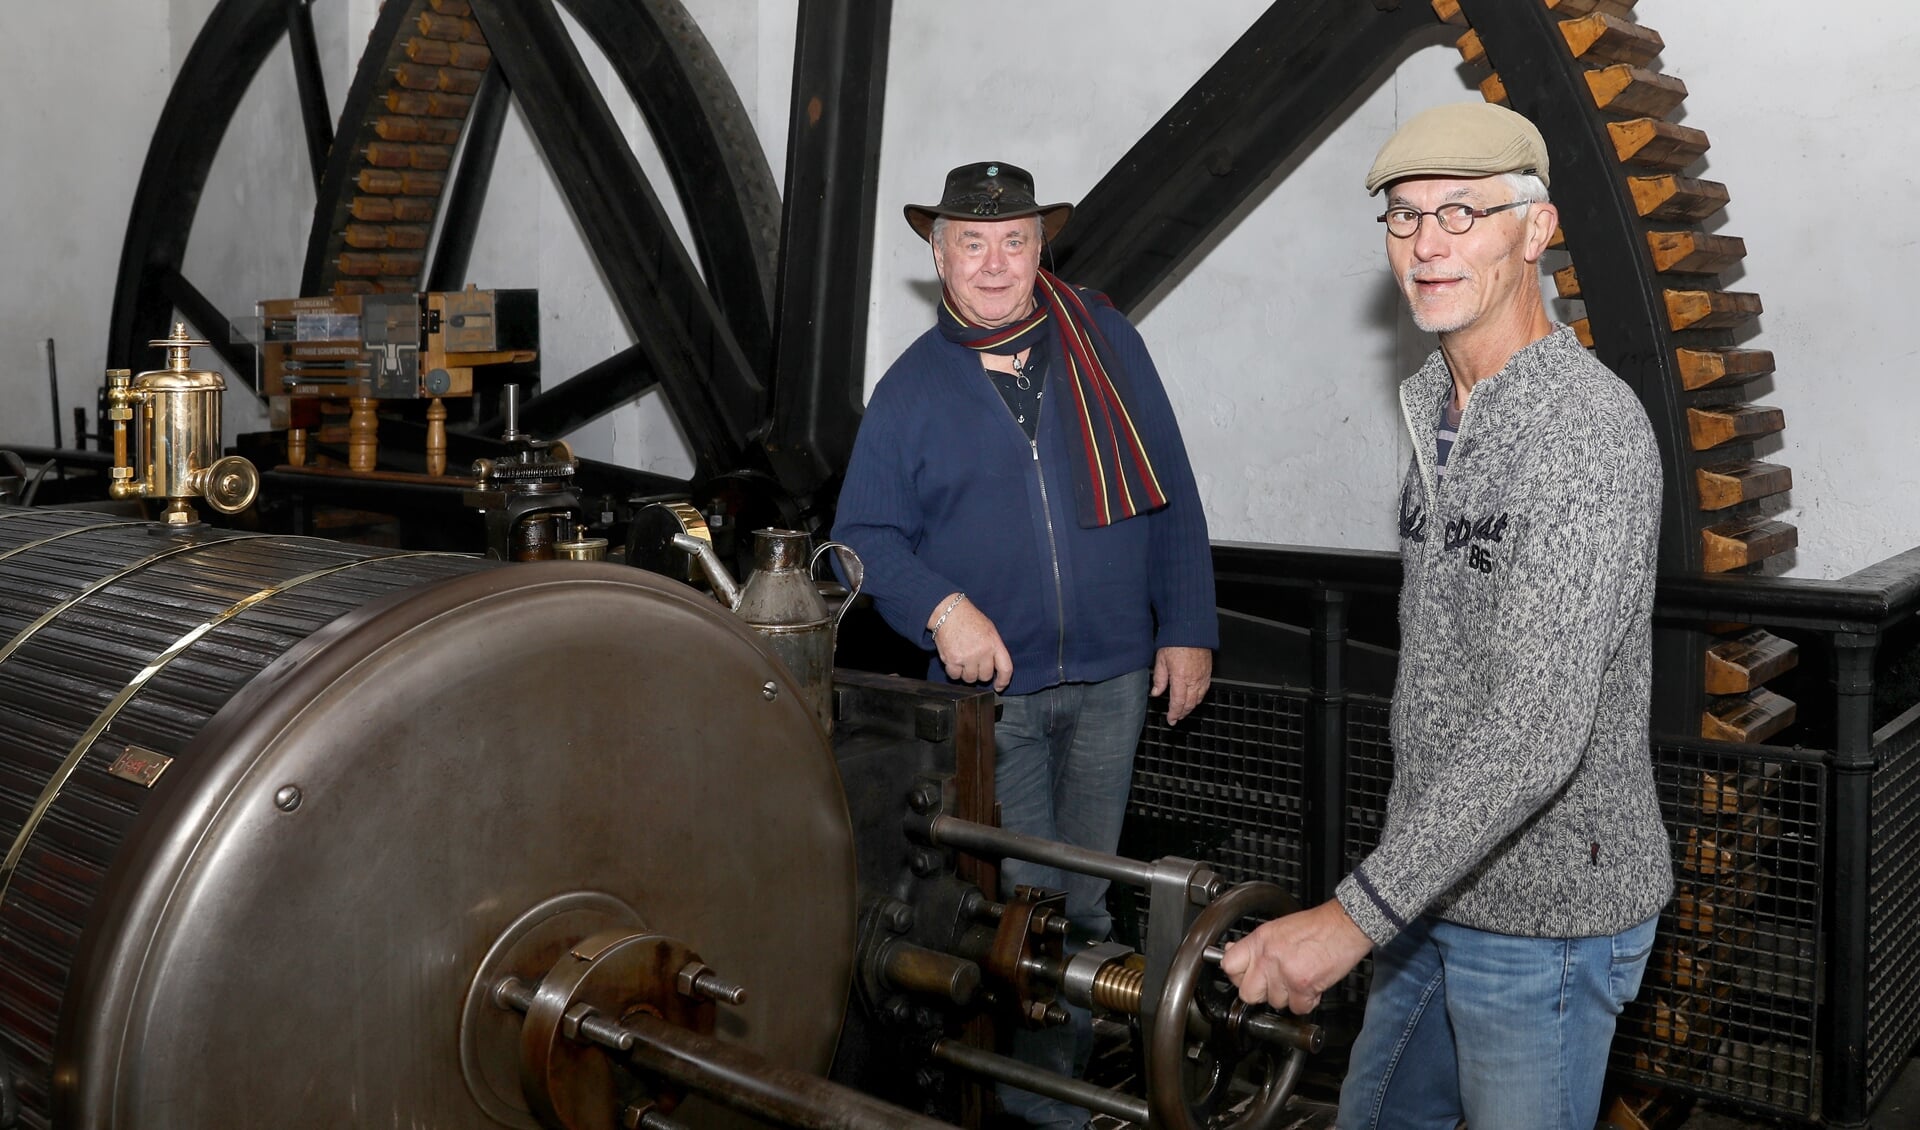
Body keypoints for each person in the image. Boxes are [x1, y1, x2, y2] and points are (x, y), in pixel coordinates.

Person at [1219, 102, 1675, 1130]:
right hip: (1437, 887)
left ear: (1536, 230)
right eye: (1404, 216)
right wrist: (1394, 893)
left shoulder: (1582, 433)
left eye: (1462, 213)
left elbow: (1535, 727)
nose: (1427, 243)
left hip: (1547, 920)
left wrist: (1349, 917)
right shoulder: (1438, 403)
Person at [832, 161, 1218, 1128]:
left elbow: (1170, 487)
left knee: (1085, 910)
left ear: (1042, 247)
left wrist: (1190, 628)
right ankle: (1030, 1112)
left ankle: (1065, 1096)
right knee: (1019, 919)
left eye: (1014, 241)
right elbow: (859, 543)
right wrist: (942, 610)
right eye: (973, 241)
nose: (995, 262)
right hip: (989, 706)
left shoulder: (1104, 341)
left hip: (1115, 678)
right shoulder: (911, 390)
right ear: (938, 253)